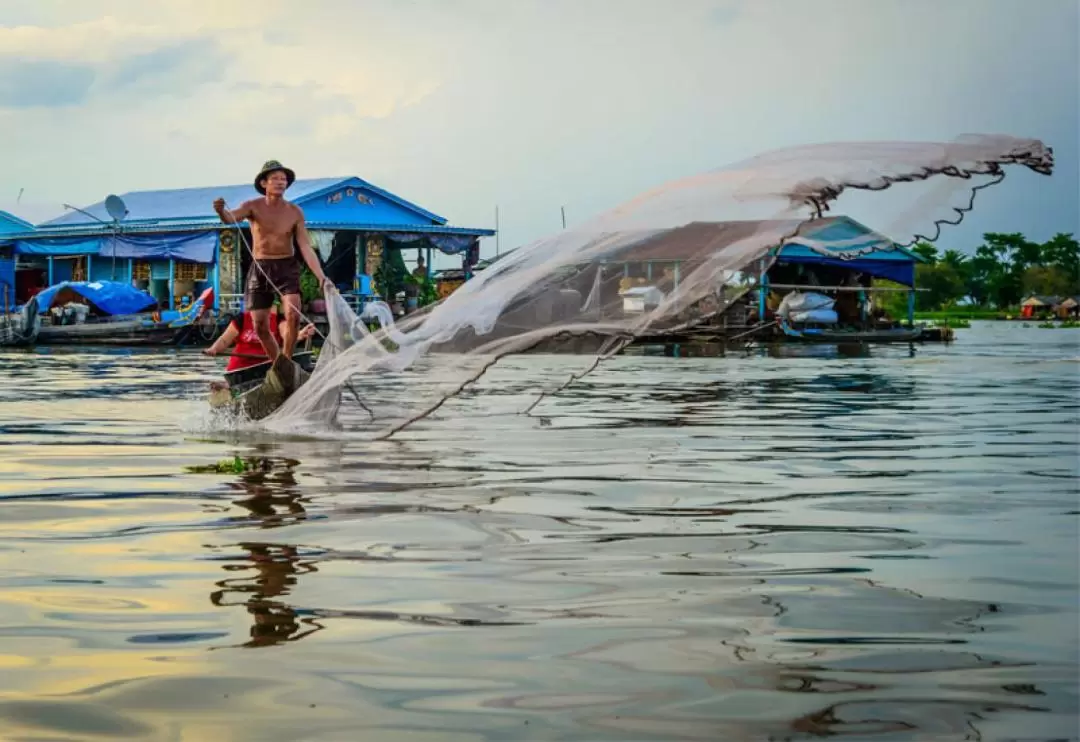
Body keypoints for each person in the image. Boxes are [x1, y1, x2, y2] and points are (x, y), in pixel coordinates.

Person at [213, 160, 331, 363]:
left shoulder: (295, 212)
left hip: (286, 266)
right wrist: (220, 211)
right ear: (264, 183)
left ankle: (286, 359)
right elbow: (230, 219)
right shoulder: (252, 206)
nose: (280, 182)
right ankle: (277, 363)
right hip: (260, 267)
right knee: (259, 325)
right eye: (275, 179)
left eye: (283, 179)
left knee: (293, 314)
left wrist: (321, 276)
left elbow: (304, 247)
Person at [203, 308, 316, 390]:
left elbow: (287, 334)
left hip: (266, 369)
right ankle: (228, 386)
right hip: (240, 371)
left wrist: (300, 334)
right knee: (232, 386)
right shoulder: (243, 318)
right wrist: (214, 349)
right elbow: (224, 340)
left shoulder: (277, 320)